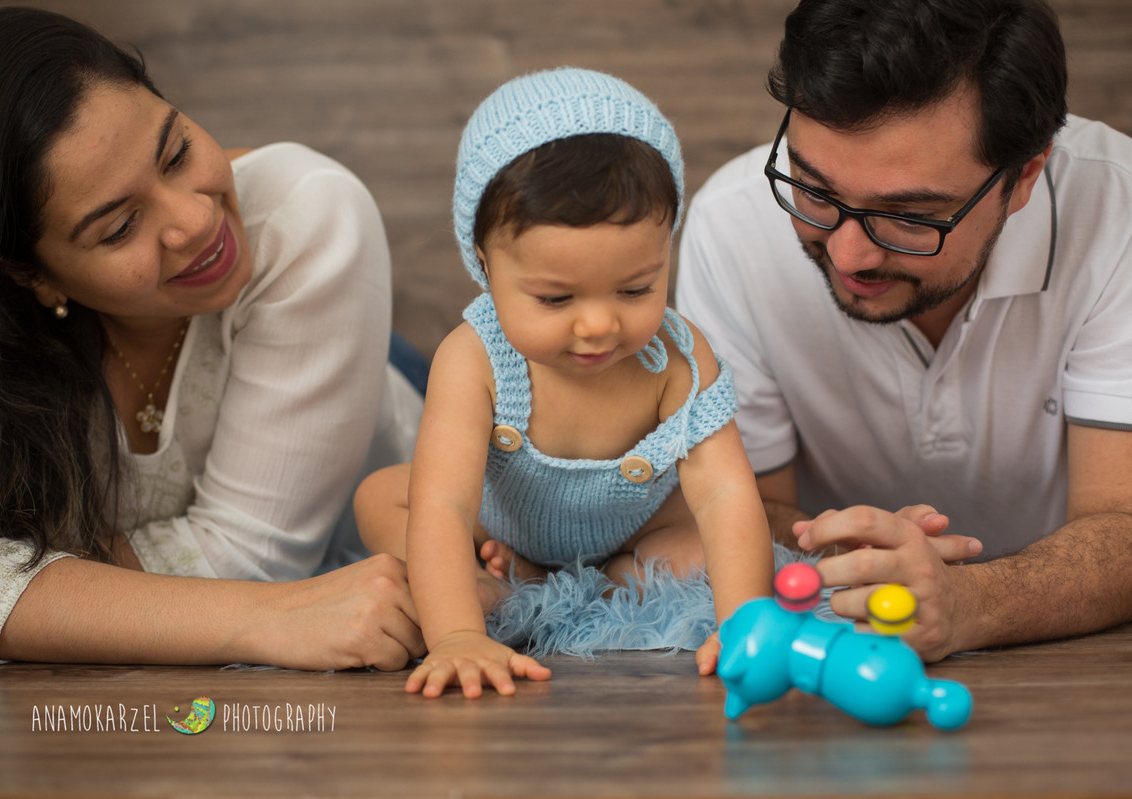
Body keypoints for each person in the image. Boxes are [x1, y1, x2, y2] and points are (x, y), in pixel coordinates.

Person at [0, 7, 427, 670]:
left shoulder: (303, 214)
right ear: (31, 275)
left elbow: (252, 560)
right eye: (119, 228)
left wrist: (32, 582)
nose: (195, 220)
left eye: (177, 152)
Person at [677, 0, 1132, 662]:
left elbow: (1123, 520)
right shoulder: (731, 226)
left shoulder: (1118, 210)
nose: (848, 256)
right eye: (814, 191)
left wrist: (972, 600)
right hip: (836, 647)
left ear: (1024, 176)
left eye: (910, 217)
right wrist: (860, 556)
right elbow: (744, 508)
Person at [355, 68, 774, 698]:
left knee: (712, 541)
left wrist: (746, 620)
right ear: (485, 266)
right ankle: (489, 584)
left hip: (635, 530)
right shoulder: (474, 358)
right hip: (499, 522)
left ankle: (612, 582)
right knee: (384, 499)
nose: (599, 325)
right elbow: (446, 504)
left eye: (636, 289)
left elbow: (723, 494)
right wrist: (456, 637)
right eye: (555, 298)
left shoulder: (677, 360)